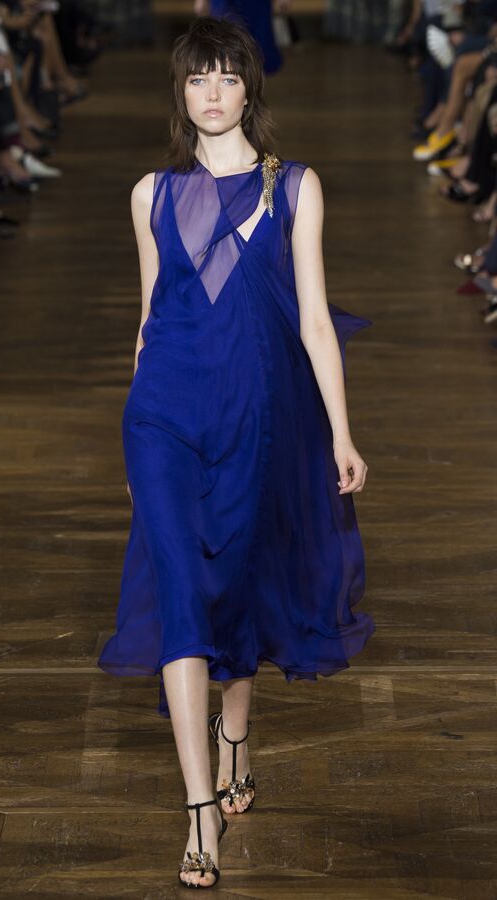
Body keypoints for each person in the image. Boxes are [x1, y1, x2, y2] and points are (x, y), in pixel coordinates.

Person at [97, 16, 375, 889]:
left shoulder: (295, 188)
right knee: (182, 593)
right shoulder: (151, 194)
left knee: (240, 582)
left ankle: (237, 732)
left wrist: (340, 430)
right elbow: (149, 320)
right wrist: (132, 441)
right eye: (196, 78)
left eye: (226, 77)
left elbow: (315, 321)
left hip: (255, 415)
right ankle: (199, 811)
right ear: (180, 93)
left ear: (250, 87)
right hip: (164, 419)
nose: (212, 93)